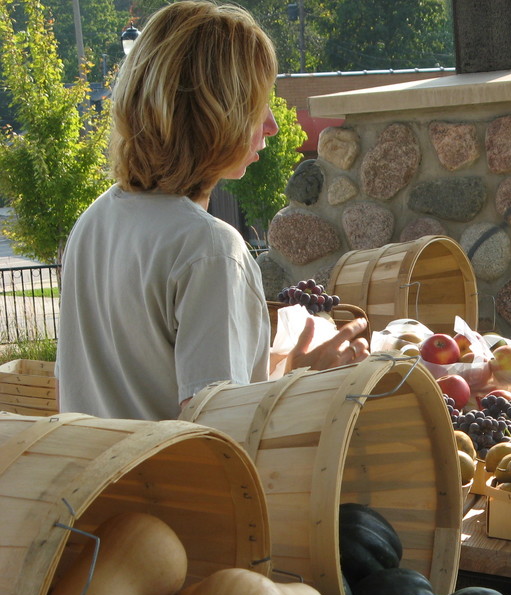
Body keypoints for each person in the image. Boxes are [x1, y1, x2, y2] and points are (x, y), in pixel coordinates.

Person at [56, 1, 368, 421]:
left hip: (97, 484)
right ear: (215, 114)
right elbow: (216, 435)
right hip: (172, 487)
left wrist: (280, 367)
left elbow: (140, 395)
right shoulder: (209, 248)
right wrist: (307, 376)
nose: (273, 124)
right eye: (259, 103)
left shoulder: (94, 222)